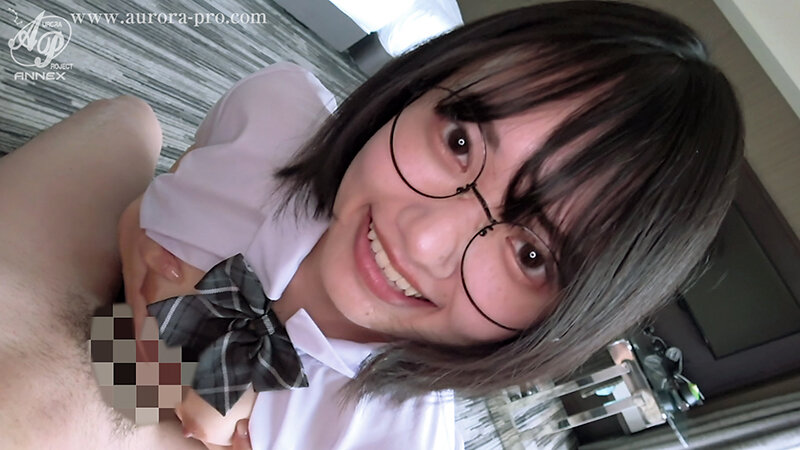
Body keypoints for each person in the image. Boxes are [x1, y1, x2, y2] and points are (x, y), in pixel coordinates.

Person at [0, 1, 742, 448]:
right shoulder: (277, 112)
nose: (422, 239)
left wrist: (193, 405)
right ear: (415, 89)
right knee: (132, 122)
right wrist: (144, 248)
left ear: (564, 318)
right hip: (89, 274)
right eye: (460, 142)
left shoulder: (387, 437)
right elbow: (186, 178)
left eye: (530, 253)